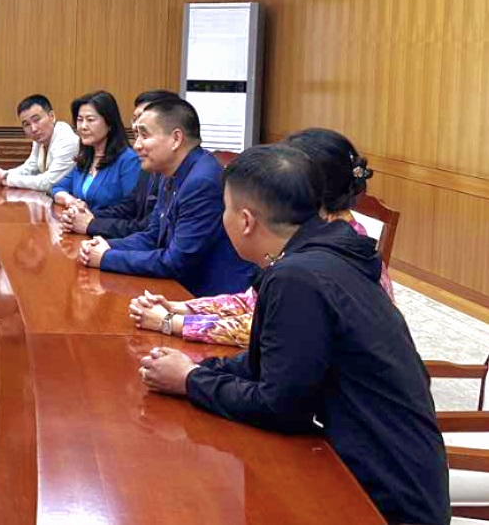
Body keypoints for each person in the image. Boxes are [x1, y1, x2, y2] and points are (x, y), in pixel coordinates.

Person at [136, 144, 449, 525]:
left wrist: (190, 381)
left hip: (383, 494)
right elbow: (274, 362)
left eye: (224, 208)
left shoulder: (297, 277)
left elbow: (281, 405)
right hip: (378, 462)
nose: (222, 218)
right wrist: (199, 370)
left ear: (246, 221)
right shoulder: (315, 255)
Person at [129, 128, 394, 347]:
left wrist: (171, 322)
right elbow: (253, 301)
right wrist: (181, 307)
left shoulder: (329, 252)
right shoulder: (311, 231)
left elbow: (261, 328)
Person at [78, 97, 256, 297]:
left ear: (176, 139)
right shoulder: (169, 172)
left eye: (144, 135)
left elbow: (177, 262)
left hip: (208, 296)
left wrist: (107, 258)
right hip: (178, 287)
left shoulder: (201, 181)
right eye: (136, 136)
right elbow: (153, 236)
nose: (136, 145)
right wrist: (105, 245)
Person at [60, 89, 178, 238]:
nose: (136, 126)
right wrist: (80, 217)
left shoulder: (132, 160)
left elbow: (147, 230)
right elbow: (129, 207)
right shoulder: (149, 167)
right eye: (135, 119)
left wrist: (91, 225)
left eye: (90, 120)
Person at [50, 91, 141, 213]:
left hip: (107, 224)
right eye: (80, 120)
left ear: (109, 124)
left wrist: (87, 217)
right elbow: (57, 188)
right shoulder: (86, 158)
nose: (83, 126)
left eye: (90, 120)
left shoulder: (128, 160)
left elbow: (130, 208)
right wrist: (71, 201)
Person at [0, 94, 79, 193]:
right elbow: (30, 168)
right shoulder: (40, 138)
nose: (33, 129)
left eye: (37, 120)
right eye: (27, 124)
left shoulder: (67, 140)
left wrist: (5, 179)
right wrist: (3, 174)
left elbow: (49, 183)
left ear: (52, 116)